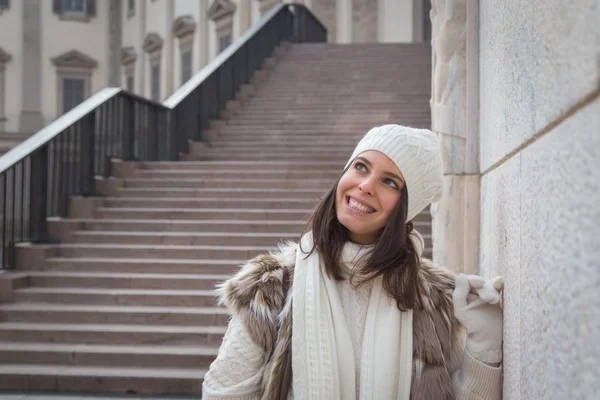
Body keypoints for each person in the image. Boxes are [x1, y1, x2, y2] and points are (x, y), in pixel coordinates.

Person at [202, 124, 504, 400]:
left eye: (390, 182)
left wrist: (484, 344)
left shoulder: (432, 300)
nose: (366, 185)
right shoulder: (271, 288)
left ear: (406, 208)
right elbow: (223, 393)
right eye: (361, 167)